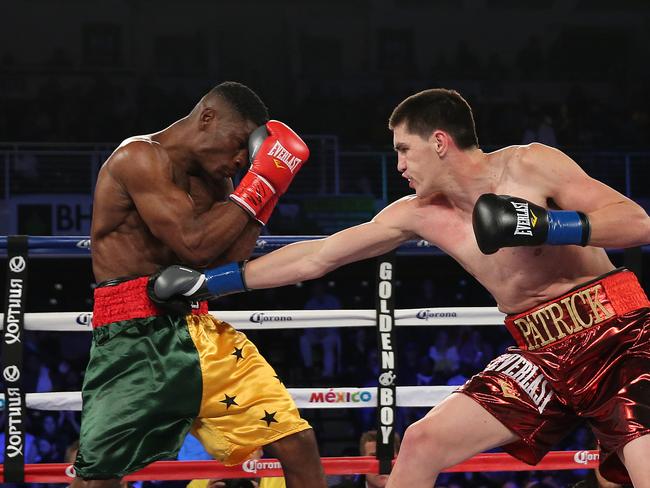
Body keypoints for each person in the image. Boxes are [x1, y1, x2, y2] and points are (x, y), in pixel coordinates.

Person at [149, 88, 650, 486]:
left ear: (438, 141)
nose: (399, 166)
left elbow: (637, 222)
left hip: (619, 335)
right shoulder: (416, 214)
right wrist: (211, 281)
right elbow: (319, 256)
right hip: (540, 352)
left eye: (403, 150)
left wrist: (544, 225)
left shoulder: (529, 165)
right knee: (422, 441)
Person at [73, 81, 326, 488]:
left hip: (201, 331)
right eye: (240, 145)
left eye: (251, 155)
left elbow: (226, 261)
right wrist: (261, 180)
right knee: (99, 477)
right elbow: (193, 245)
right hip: (134, 340)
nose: (244, 159)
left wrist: (270, 187)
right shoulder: (139, 157)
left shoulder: (217, 181)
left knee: (296, 442)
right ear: (208, 118)